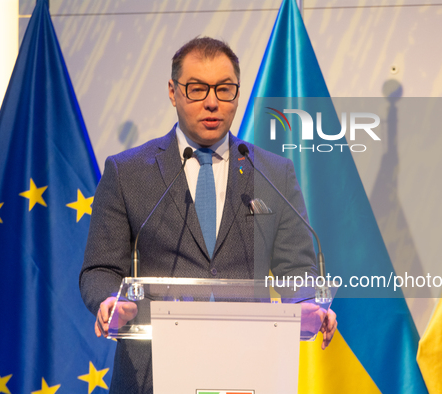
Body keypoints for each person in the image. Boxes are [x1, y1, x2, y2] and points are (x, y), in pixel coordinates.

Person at [79, 37, 337, 393]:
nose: (212, 102)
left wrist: (306, 303)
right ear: (173, 92)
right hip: (151, 372)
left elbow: (297, 268)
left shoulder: (273, 174)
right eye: (197, 89)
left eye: (224, 89)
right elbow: (100, 268)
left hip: (248, 371)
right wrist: (111, 299)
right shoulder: (127, 172)